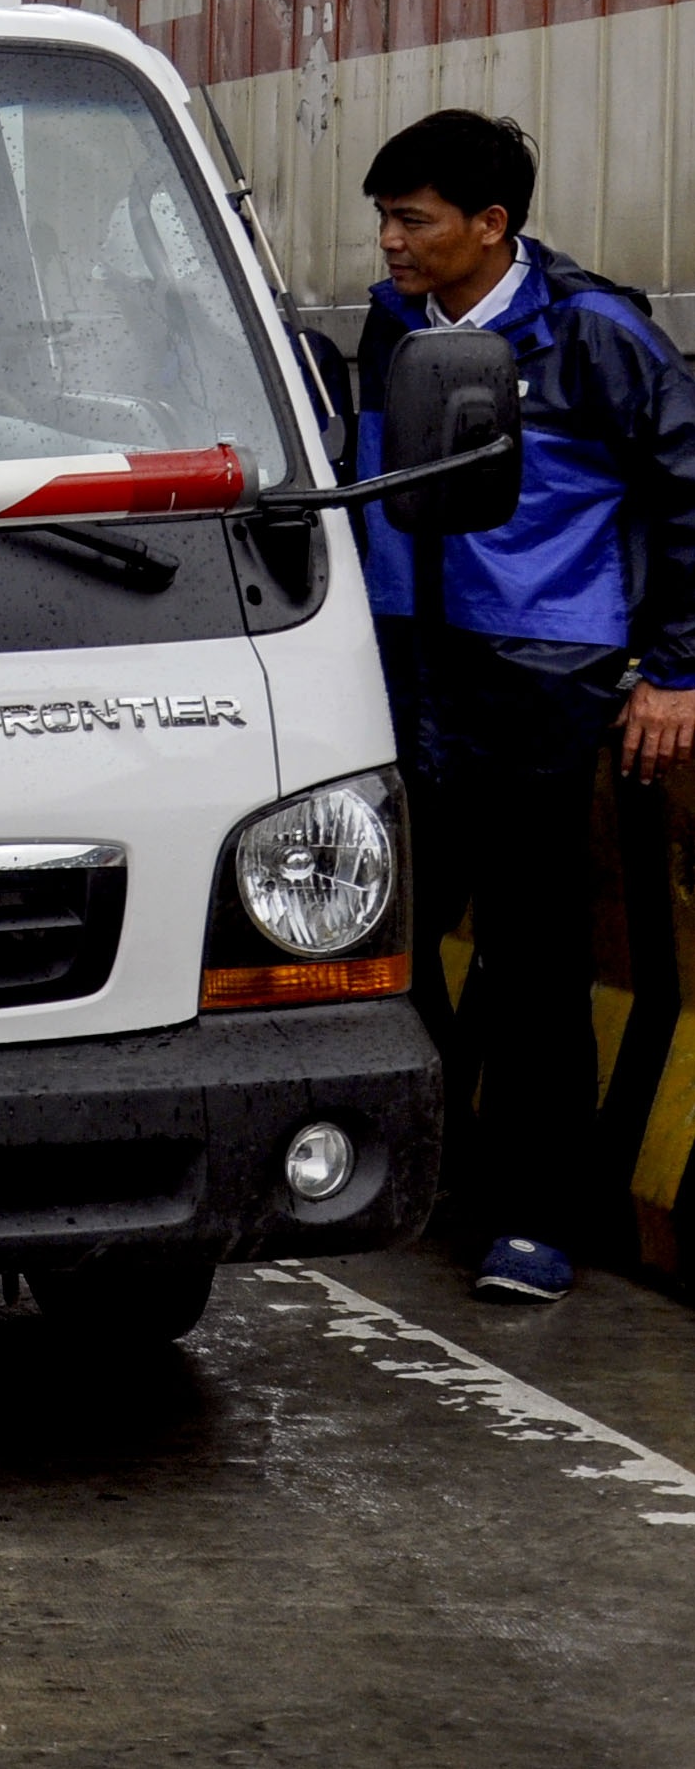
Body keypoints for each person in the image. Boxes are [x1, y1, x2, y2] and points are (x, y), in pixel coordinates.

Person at [356, 110, 695, 1305]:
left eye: (412, 220)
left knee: (537, 957)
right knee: (384, 947)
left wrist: (675, 670)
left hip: (538, 685)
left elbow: (687, 494)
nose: (389, 243)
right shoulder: (392, 326)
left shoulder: (593, 335)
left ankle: (537, 1218)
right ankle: (427, 1172)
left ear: (490, 224)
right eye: (383, 219)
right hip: (403, 677)